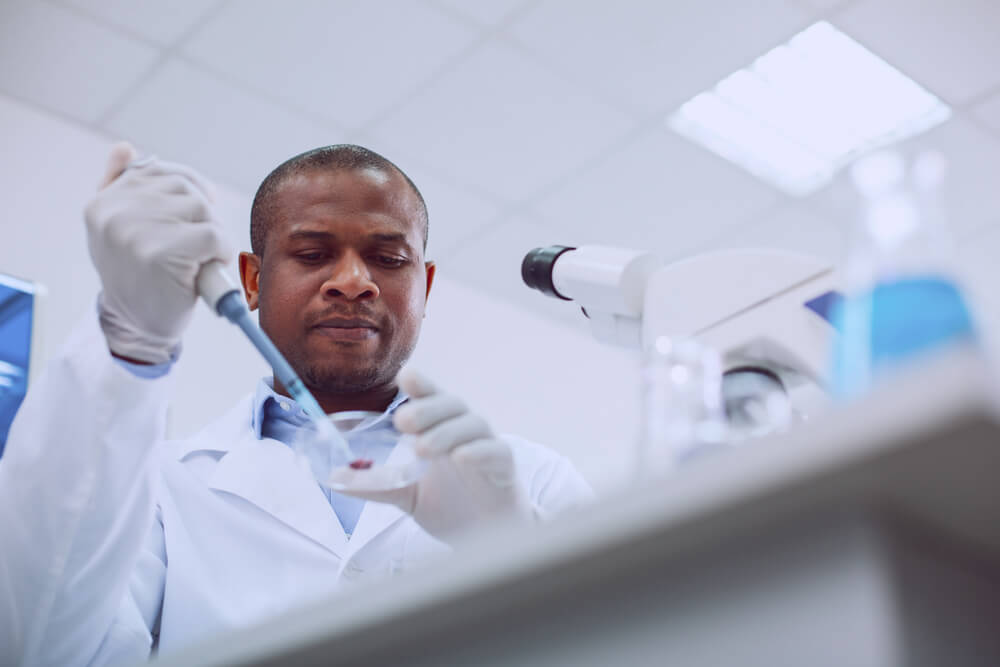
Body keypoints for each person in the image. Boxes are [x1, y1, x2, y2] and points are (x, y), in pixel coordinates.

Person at [0, 143, 592, 665]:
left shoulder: (529, 482)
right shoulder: (161, 486)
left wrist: (513, 549)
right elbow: (45, 648)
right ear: (252, 282)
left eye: (389, 259)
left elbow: (643, 640)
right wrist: (130, 339)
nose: (353, 281)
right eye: (312, 254)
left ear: (425, 287)